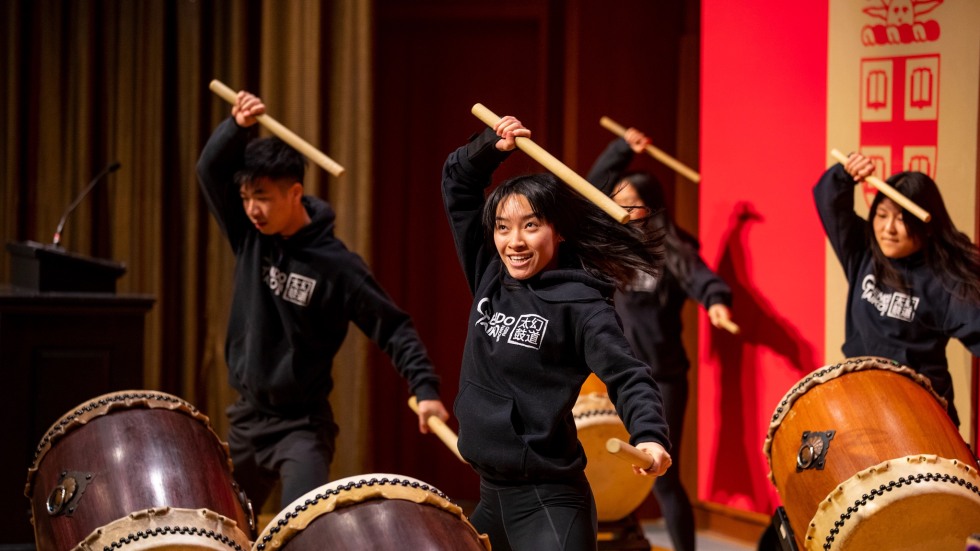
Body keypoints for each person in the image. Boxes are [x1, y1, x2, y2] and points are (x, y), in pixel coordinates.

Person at [196, 90, 450, 511]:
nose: (251, 209)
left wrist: (425, 388)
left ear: (294, 193)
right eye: (245, 198)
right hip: (247, 419)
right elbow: (209, 170)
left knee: (302, 531)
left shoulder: (338, 266)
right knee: (222, 527)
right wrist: (236, 128)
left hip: (302, 427)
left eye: (262, 196)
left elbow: (393, 326)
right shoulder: (249, 236)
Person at [441, 114, 672, 551]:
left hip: (548, 503)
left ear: (558, 230)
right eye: (503, 227)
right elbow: (457, 183)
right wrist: (491, 146)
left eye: (531, 225)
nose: (514, 242)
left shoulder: (581, 305)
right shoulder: (488, 272)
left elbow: (628, 375)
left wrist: (650, 433)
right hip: (489, 494)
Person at [586, 128, 734, 551]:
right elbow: (590, 188)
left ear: (651, 209)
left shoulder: (669, 250)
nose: (619, 208)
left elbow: (703, 278)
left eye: (630, 203)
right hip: (608, 377)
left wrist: (717, 302)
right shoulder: (609, 243)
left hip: (661, 378)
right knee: (608, 470)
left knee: (662, 477)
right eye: (617, 201)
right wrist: (620, 150)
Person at [813, 152, 980, 426]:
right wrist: (846, 173)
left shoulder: (944, 279)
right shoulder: (863, 251)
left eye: (902, 219)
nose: (888, 229)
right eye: (881, 215)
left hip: (921, 412)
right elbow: (830, 202)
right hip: (862, 400)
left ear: (927, 226)